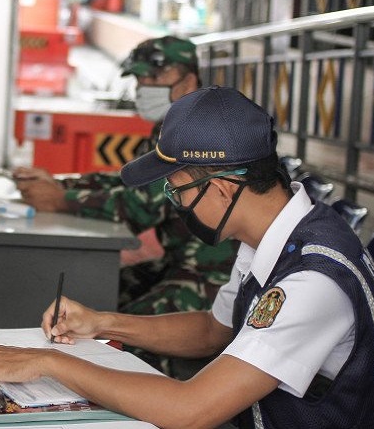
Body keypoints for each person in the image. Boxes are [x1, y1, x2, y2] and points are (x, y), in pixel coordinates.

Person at [0, 86, 374, 429]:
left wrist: (49, 362)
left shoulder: (312, 281)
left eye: (177, 191)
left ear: (222, 189)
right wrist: (102, 323)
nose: (176, 205)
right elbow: (213, 330)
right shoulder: (270, 234)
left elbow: (190, 410)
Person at [14, 36, 238, 332]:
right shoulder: (172, 125)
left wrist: (60, 200)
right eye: (140, 79)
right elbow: (131, 179)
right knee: (98, 293)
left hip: (213, 275)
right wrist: (61, 184)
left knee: (119, 335)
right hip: (177, 261)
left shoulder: (198, 132)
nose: (144, 86)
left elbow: (141, 206)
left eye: (155, 77)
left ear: (188, 81)